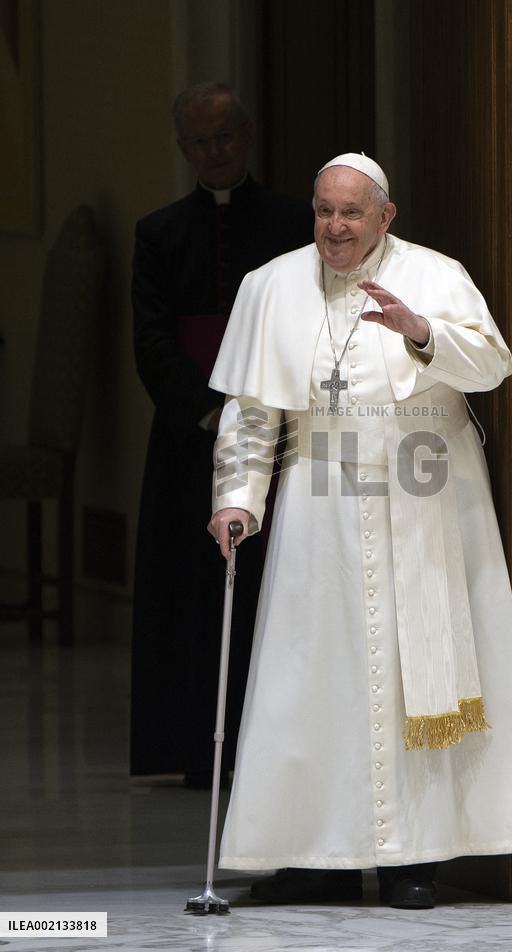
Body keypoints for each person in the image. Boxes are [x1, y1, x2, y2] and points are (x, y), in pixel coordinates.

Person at [207, 153, 512, 907]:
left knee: (409, 677)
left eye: (351, 213)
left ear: (384, 216)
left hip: (424, 490)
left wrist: (420, 329)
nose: (334, 226)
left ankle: (413, 860)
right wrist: (238, 496)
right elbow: (250, 409)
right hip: (317, 504)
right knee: (315, 676)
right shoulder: (269, 287)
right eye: (323, 211)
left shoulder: (435, 274)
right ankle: (311, 858)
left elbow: (492, 365)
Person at [130, 82, 313, 787]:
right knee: (189, 590)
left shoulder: (295, 222)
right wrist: (208, 414)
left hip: (276, 430)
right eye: (199, 142)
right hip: (187, 434)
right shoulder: (158, 232)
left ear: (248, 137)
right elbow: (150, 341)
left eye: (225, 138)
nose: (213, 153)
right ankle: (191, 749)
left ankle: (263, 746)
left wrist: (258, 413)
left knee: (269, 584)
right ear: (183, 149)